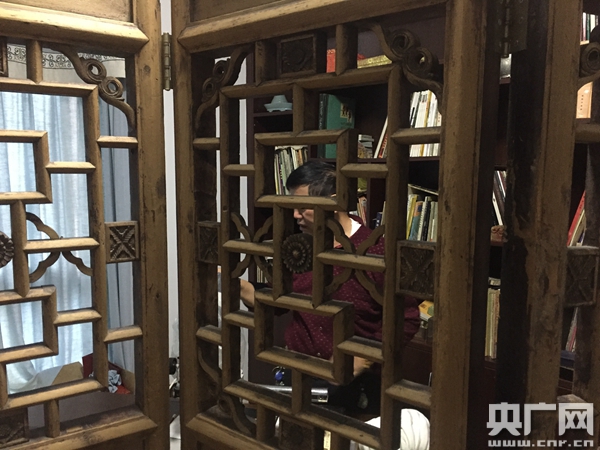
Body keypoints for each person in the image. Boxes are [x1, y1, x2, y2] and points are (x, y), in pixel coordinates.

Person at [240, 160, 420, 415]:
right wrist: (234, 284)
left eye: (303, 207)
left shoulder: (377, 250)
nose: (295, 215)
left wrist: (362, 356)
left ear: (333, 202)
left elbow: (407, 318)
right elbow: (275, 300)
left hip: (353, 386)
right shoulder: (300, 247)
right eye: (293, 207)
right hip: (299, 373)